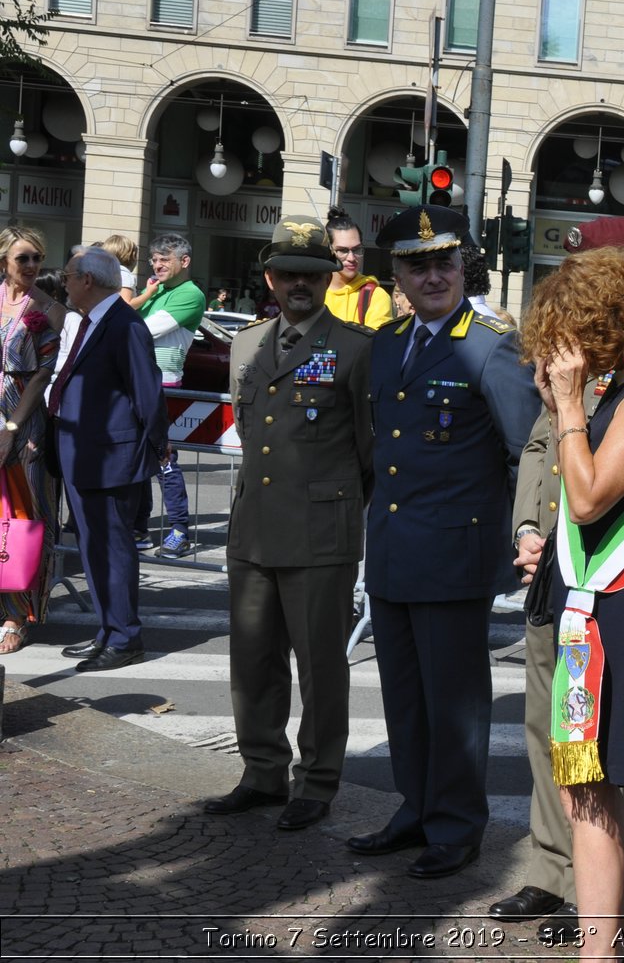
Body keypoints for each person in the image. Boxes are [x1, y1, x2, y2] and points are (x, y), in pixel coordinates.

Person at [491, 213, 624, 928]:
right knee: (586, 782)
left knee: (596, 781)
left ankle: (602, 943)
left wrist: (571, 402)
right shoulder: (622, 384)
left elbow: (585, 496)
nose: (553, 351)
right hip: (591, 598)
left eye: (564, 332)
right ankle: (616, 934)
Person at [344, 205, 540, 880]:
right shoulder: (390, 342)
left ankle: (457, 824)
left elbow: (527, 452)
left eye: (444, 262)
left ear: (464, 265)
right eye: (416, 264)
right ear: (396, 272)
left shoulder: (492, 345)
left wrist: (524, 534)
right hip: (395, 546)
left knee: (454, 700)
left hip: (457, 554)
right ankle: (417, 806)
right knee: (404, 692)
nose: (432, 275)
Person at [202, 218, 374, 832]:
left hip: (319, 533)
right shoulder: (247, 345)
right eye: (289, 274)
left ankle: (318, 780)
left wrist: (343, 512)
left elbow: (368, 450)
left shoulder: (356, 349)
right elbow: (253, 437)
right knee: (252, 660)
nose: (300, 284)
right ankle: (261, 771)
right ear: (270, 278)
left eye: (313, 274)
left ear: (328, 279)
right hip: (253, 526)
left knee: (320, 664)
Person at [47, 247, 165, 672]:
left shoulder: (124, 325)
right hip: (83, 453)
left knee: (111, 550)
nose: (64, 282)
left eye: (69, 275)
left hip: (111, 458)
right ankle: (108, 630)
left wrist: (151, 453)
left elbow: (147, 395)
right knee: (93, 548)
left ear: (88, 281)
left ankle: (125, 637)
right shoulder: (93, 320)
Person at [0, 227, 66, 655]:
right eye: (23, 258)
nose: (31, 266)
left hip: (22, 424)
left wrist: (10, 430)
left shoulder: (47, 310)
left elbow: (41, 374)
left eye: (36, 258)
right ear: (4, 259)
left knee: (24, 518)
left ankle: (16, 616)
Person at [136, 234, 205, 559]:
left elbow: (139, 330)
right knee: (137, 459)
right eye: (154, 259)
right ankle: (139, 530)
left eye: (164, 258)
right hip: (138, 385)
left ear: (184, 261)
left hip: (164, 388)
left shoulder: (190, 294)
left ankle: (179, 530)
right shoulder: (157, 290)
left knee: (165, 460)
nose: (157, 264)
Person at [324, 207, 394, 328]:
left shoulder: (375, 297)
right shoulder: (313, 291)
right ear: (328, 250)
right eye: (343, 250)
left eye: (357, 249)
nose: (351, 258)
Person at [97, 234, 141, 306]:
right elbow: (127, 304)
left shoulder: (105, 273)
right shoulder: (125, 275)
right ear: (131, 256)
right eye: (135, 255)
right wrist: (149, 293)